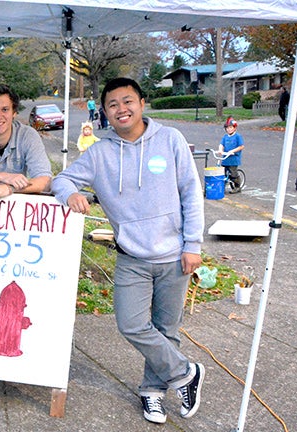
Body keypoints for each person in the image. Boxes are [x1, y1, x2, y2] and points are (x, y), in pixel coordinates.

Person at [51, 77, 205, 425]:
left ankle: (152, 392)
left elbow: (191, 193)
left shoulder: (170, 140)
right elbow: (61, 180)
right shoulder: (101, 153)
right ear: (104, 113)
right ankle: (186, 373)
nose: (122, 109)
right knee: (132, 324)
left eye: (128, 101)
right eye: (113, 104)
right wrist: (70, 194)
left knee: (167, 330)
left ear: (142, 103)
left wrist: (193, 245)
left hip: (174, 255)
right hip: (131, 258)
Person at [219, 117, 245, 193]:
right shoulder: (225, 137)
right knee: (222, 173)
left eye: (230, 127)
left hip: (233, 159)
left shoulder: (237, 136)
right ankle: (221, 187)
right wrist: (220, 150)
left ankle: (237, 186)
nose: (229, 129)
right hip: (225, 158)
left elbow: (241, 146)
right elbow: (221, 144)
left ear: (234, 128)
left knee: (233, 173)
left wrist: (232, 151)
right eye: (227, 128)